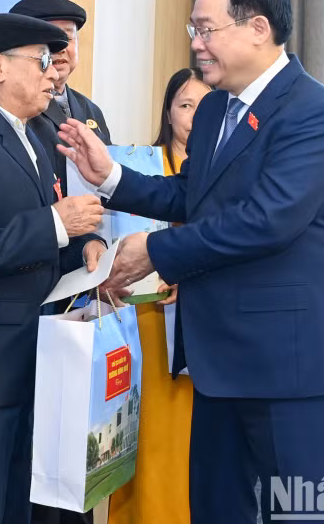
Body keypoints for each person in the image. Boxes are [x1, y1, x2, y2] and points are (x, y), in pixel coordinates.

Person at [58, 0, 324, 524]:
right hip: (219, 360)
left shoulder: (313, 112)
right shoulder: (217, 110)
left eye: (207, 29)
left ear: (258, 28)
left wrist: (155, 252)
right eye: (192, 31)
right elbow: (194, 195)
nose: (197, 44)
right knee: (215, 511)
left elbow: (267, 219)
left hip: (292, 366)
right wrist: (111, 179)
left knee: (297, 514)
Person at [0, 13, 106, 524]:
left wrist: (87, 251)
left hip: (45, 351)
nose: (51, 73)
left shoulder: (38, 136)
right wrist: (55, 224)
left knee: (27, 501)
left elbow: (56, 233)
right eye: (39, 61)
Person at [108, 67, 210, 524]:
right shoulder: (145, 166)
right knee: (141, 434)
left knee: (189, 442)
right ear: (168, 112)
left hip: (196, 323)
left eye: (204, 106)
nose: (193, 116)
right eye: (185, 105)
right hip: (144, 321)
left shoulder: (218, 175)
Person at [10, 0, 111, 201]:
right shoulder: (17, 107)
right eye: (50, 38)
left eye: (67, 37)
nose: (61, 48)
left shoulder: (91, 110)